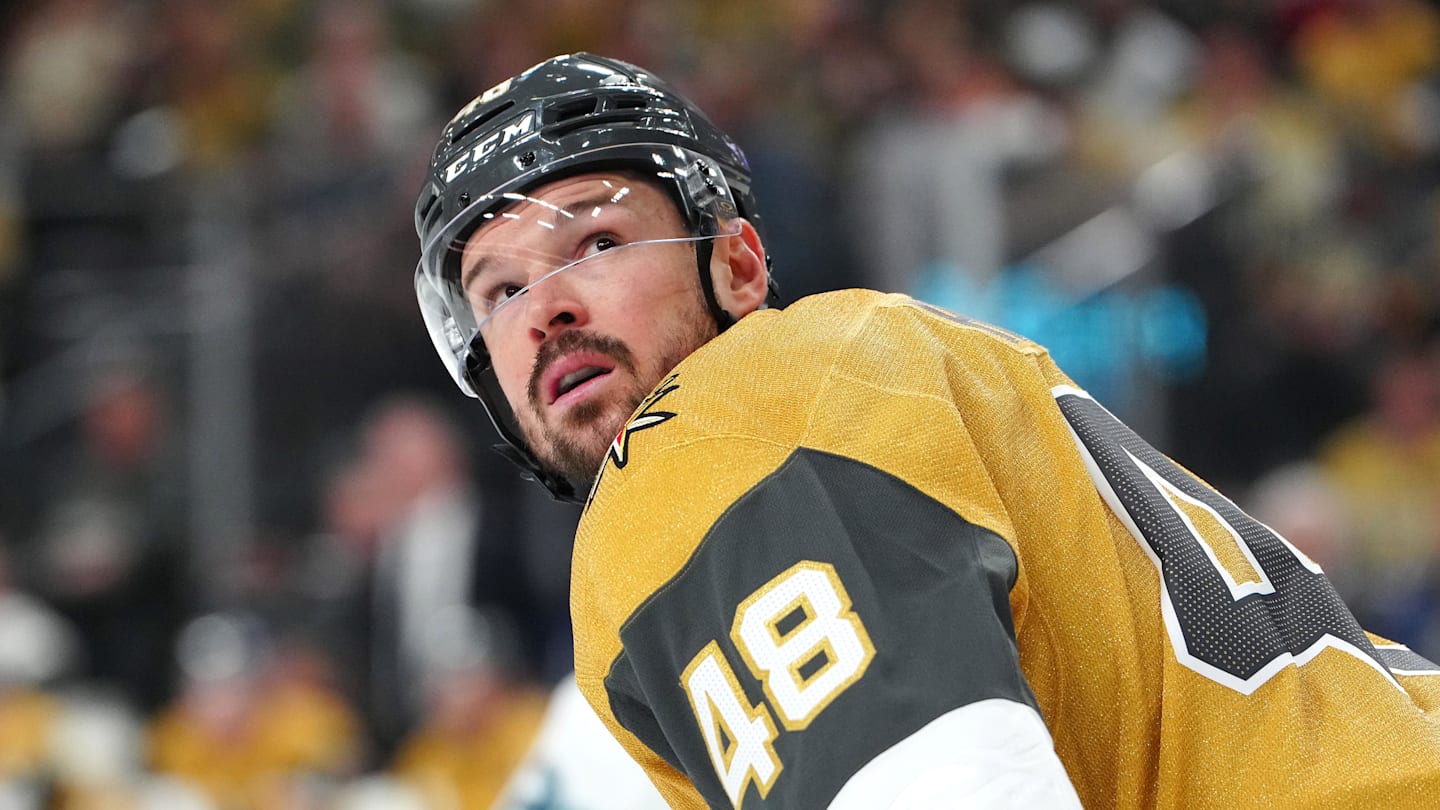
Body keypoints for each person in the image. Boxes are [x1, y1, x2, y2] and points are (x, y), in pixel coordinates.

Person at [411, 53, 1440, 809]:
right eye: (498, 288)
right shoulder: (878, 372)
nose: (543, 309)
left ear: (735, 264)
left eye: (594, 238)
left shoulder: (719, 428)